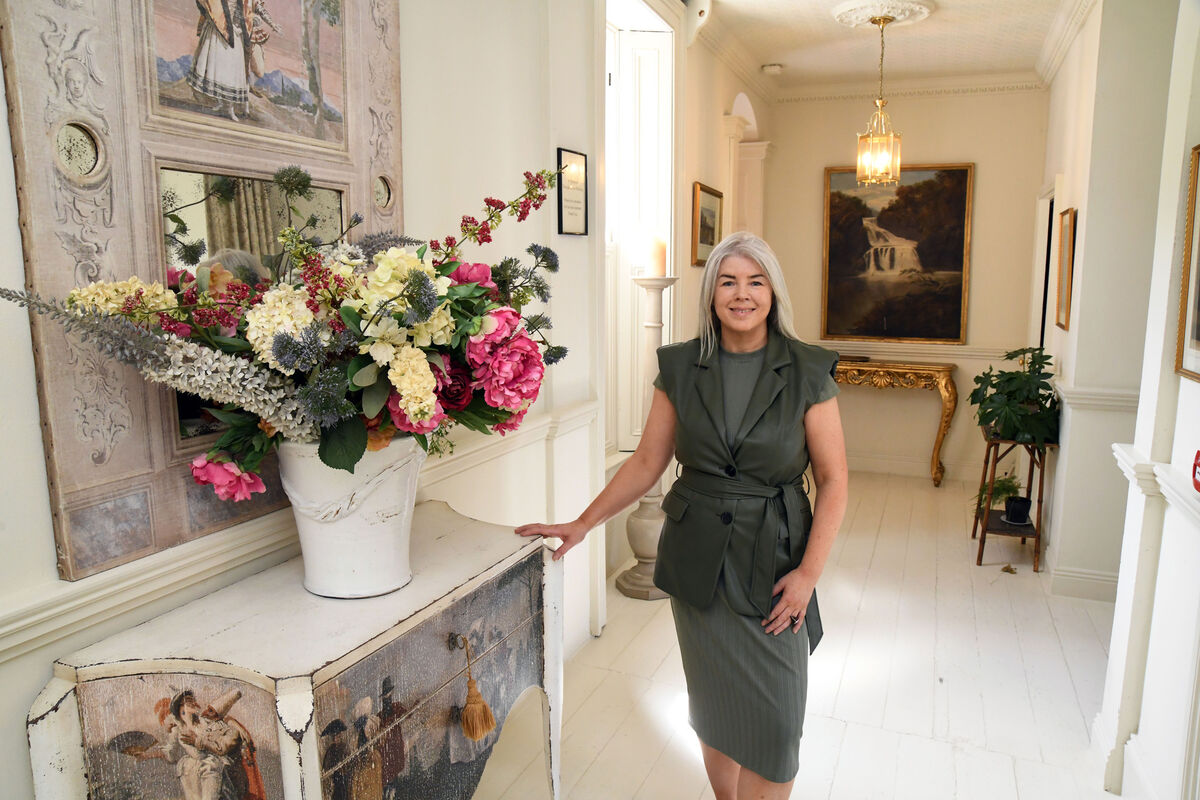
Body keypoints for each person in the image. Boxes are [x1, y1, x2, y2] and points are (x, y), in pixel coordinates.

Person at [516, 231, 848, 800]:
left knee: (777, 721)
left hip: (775, 561)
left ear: (773, 292)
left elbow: (835, 479)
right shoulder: (679, 366)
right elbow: (647, 462)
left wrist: (810, 575)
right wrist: (581, 523)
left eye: (755, 281)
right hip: (698, 564)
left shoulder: (807, 370)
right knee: (714, 703)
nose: (741, 294)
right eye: (727, 281)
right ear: (711, 293)